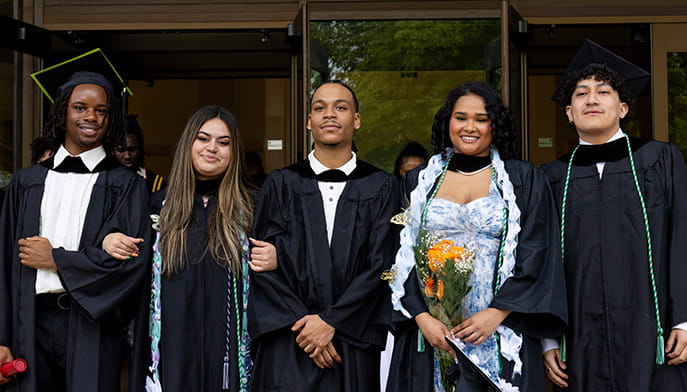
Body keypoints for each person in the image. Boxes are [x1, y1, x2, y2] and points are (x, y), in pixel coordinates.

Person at [386, 81, 567, 392]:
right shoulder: (418, 182)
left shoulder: (523, 179)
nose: (470, 127)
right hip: (432, 336)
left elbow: (538, 251)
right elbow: (397, 256)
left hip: (502, 331)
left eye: (481, 119)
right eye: (461, 117)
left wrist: (496, 313)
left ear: (495, 125)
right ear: (448, 122)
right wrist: (422, 317)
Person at [0, 49, 151, 392]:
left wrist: (56, 258)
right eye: (80, 107)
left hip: (92, 324)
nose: (91, 117)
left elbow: (131, 263)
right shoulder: (26, 182)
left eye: (101, 110)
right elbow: (4, 265)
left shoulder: (126, 185)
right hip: (30, 324)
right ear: (63, 112)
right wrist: (2, 336)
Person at [542, 39, 687, 392]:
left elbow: (684, 236)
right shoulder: (550, 177)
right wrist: (548, 340)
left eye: (603, 92)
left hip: (653, 333)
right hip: (578, 337)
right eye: (581, 93)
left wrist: (684, 320)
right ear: (568, 112)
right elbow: (542, 261)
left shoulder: (659, 160)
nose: (591, 99)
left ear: (623, 109)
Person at [103, 105, 277, 392]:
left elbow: (290, 266)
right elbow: (127, 268)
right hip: (170, 353)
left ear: (234, 153)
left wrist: (276, 257)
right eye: (203, 138)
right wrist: (109, 239)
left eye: (223, 142)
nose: (212, 148)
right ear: (188, 143)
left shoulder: (253, 209)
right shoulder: (156, 206)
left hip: (231, 357)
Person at [249, 80, 400, 391]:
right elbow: (260, 264)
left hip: (353, 339)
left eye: (340, 107)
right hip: (292, 337)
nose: (329, 114)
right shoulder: (281, 184)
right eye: (320, 108)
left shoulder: (382, 186)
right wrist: (307, 325)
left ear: (356, 120)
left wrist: (331, 322)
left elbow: (382, 265)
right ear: (308, 121)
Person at [112, 114, 166, 193]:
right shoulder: (103, 181)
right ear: (112, 151)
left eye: (132, 149)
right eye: (121, 150)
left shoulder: (155, 184)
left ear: (140, 149)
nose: (127, 156)